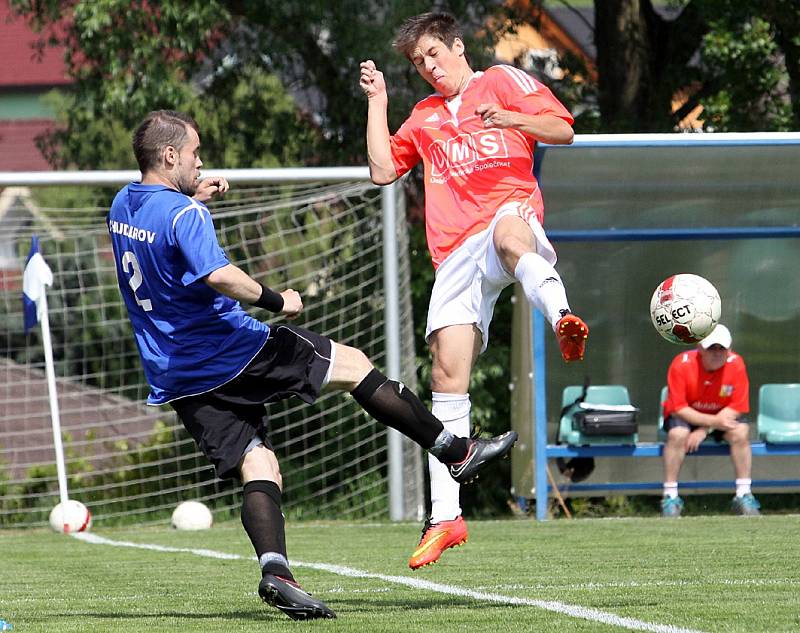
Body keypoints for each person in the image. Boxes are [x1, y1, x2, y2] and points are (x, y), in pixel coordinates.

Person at [107, 109, 518, 621]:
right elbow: (219, 276)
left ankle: (276, 571)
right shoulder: (185, 217)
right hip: (232, 350)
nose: (200, 161)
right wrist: (280, 301)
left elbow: (160, 234)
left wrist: (189, 193)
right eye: (193, 154)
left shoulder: (123, 205)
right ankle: (454, 449)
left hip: (175, 373)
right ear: (170, 156)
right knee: (353, 365)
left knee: (259, 464)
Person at [359, 12, 588, 569]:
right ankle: (446, 518)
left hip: (506, 213)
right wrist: (378, 99)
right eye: (419, 63)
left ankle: (562, 317)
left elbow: (564, 128)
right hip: (454, 254)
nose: (430, 68)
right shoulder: (426, 116)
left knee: (514, 240)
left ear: (458, 46)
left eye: (435, 54)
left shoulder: (503, 81)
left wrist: (510, 118)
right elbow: (383, 170)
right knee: (445, 375)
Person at [661, 324, 761, 518]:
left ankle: (743, 494)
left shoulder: (737, 363)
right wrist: (712, 422)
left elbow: (737, 406)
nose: (717, 353)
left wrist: (704, 429)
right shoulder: (681, 363)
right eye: (711, 348)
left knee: (741, 433)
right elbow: (679, 408)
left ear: (729, 350)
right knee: (677, 434)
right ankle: (670, 497)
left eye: (721, 348)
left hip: (720, 418)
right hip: (687, 417)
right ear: (699, 348)